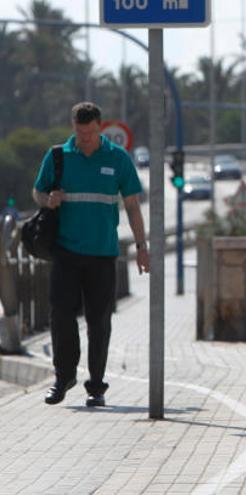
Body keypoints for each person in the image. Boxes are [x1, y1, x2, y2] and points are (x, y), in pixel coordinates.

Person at [33, 102, 150, 407]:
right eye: (80, 133)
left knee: (99, 322)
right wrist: (49, 200)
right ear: (73, 127)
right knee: (60, 316)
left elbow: (134, 207)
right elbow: (37, 192)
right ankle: (63, 376)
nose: (84, 139)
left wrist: (141, 247)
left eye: (90, 133)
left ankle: (96, 386)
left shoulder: (117, 158)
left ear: (100, 127)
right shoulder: (58, 156)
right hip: (66, 252)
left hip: (102, 254)